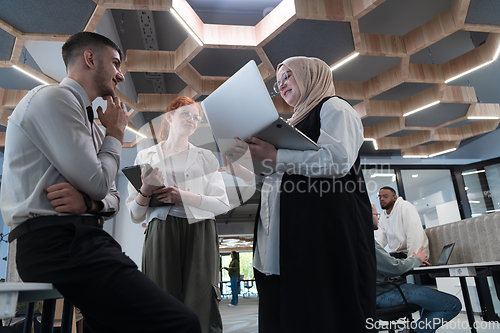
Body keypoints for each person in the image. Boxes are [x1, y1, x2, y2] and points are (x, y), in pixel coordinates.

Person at [1, 32, 201, 333]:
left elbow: (110, 197)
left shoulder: (94, 126)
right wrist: (116, 135)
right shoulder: (54, 98)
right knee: (182, 323)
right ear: (90, 59)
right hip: (56, 244)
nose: (120, 75)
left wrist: (89, 203)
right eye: (116, 63)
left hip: (84, 240)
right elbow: (98, 182)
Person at [221, 56, 376, 332]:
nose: (281, 85)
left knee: (323, 313)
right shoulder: (288, 125)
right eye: (278, 82)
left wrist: (275, 155)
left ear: (310, 75)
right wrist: (245, 166)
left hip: (324, 235)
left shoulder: (334, 107)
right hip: (286, 236)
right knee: (288, 311)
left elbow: (337, 160)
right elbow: (274, 182)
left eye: (288, 76)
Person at [126, 97, 230, 333]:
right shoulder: (146, 157)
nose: (192, 120)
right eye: (186, 114)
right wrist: (145, 189)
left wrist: (182, 196)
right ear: (169, 117)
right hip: (160, 229)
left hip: (200, 229)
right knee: (160, 297)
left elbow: (222, 203)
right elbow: (135, 214)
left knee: (202, 299)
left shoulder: (206, 158)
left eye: (196, 117)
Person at [372, 204, 462, 333]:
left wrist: (413, 261)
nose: (379, 219)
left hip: (379, 292)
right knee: (453, 304)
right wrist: (417, 259)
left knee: (433, 304)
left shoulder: (356, 241)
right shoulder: (367, 243)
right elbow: (394, 268)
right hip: (384, 293)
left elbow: (389, 265)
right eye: (376, 215)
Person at [376, 186, 429, 258]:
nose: (381, 199)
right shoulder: (383, 216)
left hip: (411, 254)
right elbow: (379, 240)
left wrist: (414, 260)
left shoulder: (405, 207)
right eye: (380, 197)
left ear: (394, 198)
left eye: (385, 196)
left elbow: (414, 235)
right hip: (397, 255)